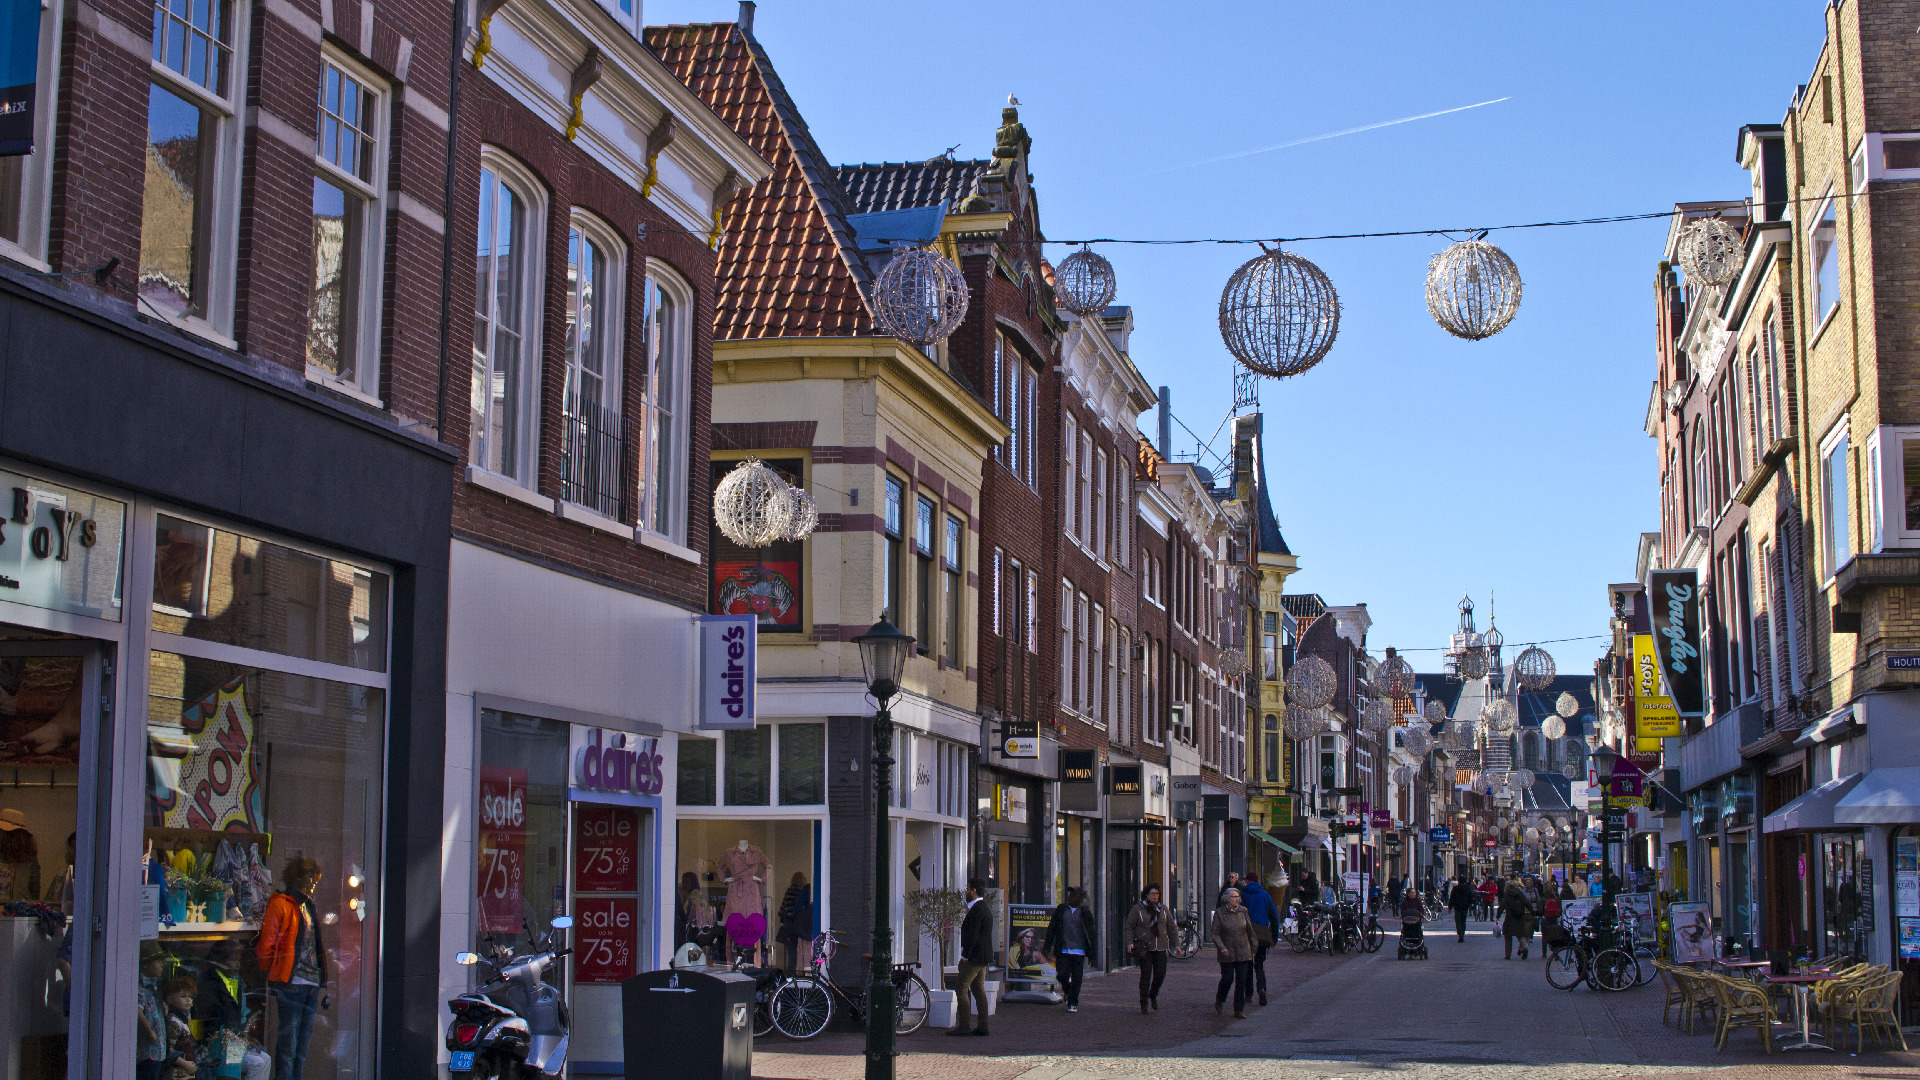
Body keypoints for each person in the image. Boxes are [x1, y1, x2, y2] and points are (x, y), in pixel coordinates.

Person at [258, 857, 327, 1080]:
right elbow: (267, 942)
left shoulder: (309, 905)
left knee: (302, 1046)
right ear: (298, 877)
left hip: (310, 983)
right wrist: (270, 975)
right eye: (310, 876)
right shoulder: (281, 903)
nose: (314, 881)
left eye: (316, 877)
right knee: (289, 1044)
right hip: (292, 983)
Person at [1043, 886, 1096, 1013]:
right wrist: (1047, 945)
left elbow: (1091, 933)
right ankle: (1067, 990)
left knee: (1077, 977)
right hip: (1063, 949)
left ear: (1080, 897)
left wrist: (1093, 953)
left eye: (1074, 895)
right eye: (1070, 895)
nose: (1071, 897)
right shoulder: (1061, 909)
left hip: (1079, 950)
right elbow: (1052, 928)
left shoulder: (1085, 912)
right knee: (1062, 975)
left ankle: (1073, 1002)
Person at [950, 879, 992, 1037]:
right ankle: (983, 1025)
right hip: (983, 957)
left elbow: (973, 936)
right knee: (979, 990)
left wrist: (965, 955)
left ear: (974, 891)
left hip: (974, 957)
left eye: (967, 889)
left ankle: (964, 1024)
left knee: (961, 988)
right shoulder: (984, 908)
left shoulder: (977, 910)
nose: (966, 892)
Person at [1125, 884, 1173, 1014]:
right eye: (1153, 893)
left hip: (1160, 947)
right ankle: (1143, 1002)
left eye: (1157, 893)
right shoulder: (1138, 909)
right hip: (1145, 947)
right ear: (1146, 895)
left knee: (1160, 974)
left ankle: (1153, 994)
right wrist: (1130, 943)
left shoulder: (1163, 909)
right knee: (1145, 975)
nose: (1155, 896)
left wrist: (1177, 945)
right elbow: (1129, 926)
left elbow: (1171, 927)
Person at [1211, 888, 1257, 1018]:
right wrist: (1222, 947)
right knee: (1227, 978)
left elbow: (1250, 930)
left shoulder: (1243, 911)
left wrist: (1254, 948)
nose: (1237, 899)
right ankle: (1220, 999)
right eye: (1234, 897)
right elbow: (1215, 933)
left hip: (1243, 950)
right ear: (1227, 899)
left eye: (1238, 897)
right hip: (1228, 952)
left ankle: (1238, 1009)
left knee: (1241, 980)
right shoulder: (1220, 913)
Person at [1238, 875, 1280, 1006]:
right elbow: (1274, 916)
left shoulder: (1243, 895)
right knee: (1260, 965)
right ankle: (1261, 988)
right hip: (1262, 935)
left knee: (1248, 965)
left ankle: (1248, 993)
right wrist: (1274, 936)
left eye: (1245, 880)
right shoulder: (1265, 895)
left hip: (1246, 934)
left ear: (1249, 881)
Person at [775, 871, 812, 971]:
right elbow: (797, 910)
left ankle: (789, 976)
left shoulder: (789, 890)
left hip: (787, 925)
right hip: (796, 926)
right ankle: (795, 975)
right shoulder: (803, 891)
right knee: (798, 953)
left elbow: (783, 910)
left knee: (791, 954)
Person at [1500, 876, 1536, 960]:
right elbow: (1527, 903)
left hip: (1509, 917)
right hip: (1519, 916)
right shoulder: (1520, 893)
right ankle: (1525, 948)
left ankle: (1508, 954)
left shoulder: (1507, 894)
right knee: (1520, 934)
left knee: (1507, 936)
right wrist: (1533, 913)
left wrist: (1498, 916)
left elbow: (1502, 905)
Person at [1447, 876, 1475, 942]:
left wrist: (1450, 907)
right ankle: (1462, 932)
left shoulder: (1455, 888)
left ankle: (1460, 932)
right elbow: (1471, 897)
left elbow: (1452, 898)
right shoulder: (1467, 888)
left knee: (1458, 921)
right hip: (1465, 907)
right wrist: (1471, 904)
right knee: (1463, 920)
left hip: (1457, 907)